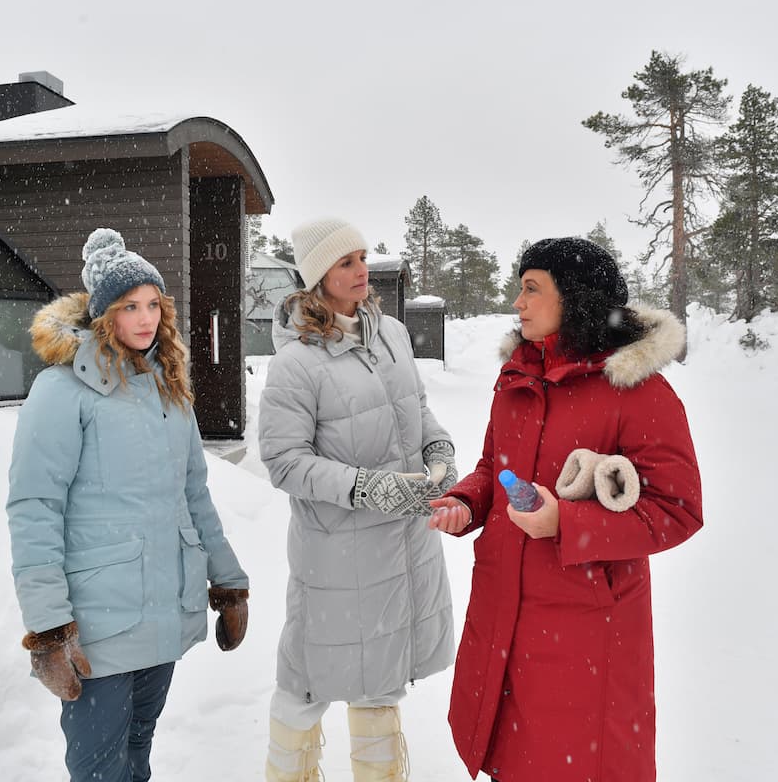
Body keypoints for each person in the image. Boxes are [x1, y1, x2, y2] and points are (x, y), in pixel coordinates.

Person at [428, 236, 704, 782]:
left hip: (587, 631)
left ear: (573, 299)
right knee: (514, 758)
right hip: (505, 607)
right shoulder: (517, 377)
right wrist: (466, 500)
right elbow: (493, 467)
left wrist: (568, 524)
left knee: (571, 763)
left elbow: (678, 509)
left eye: (531, 288)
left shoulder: (637, 390)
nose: (518, 302)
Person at [6, 227, 250, 782]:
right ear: (102, 314)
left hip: (161, 611)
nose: (146, 319)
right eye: (129, 306)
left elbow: (193, 495)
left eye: (153, 306)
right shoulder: (61, 390)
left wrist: (227, 580)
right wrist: (47, 627)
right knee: (97, 768)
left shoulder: (168, 389)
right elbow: (34, 506)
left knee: (137, 752)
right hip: (99, 627)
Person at [258, 217, 457, 782]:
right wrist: (366, 486)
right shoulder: (296, 362)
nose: (362, 270)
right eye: (346, 262)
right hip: (337, 555)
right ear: (318, 276)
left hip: (402, 545)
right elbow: (284, 461)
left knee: (381, 681)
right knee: (307, 681)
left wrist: (438, 449)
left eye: (363, 257)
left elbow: (417, 408)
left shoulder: (391, 333)